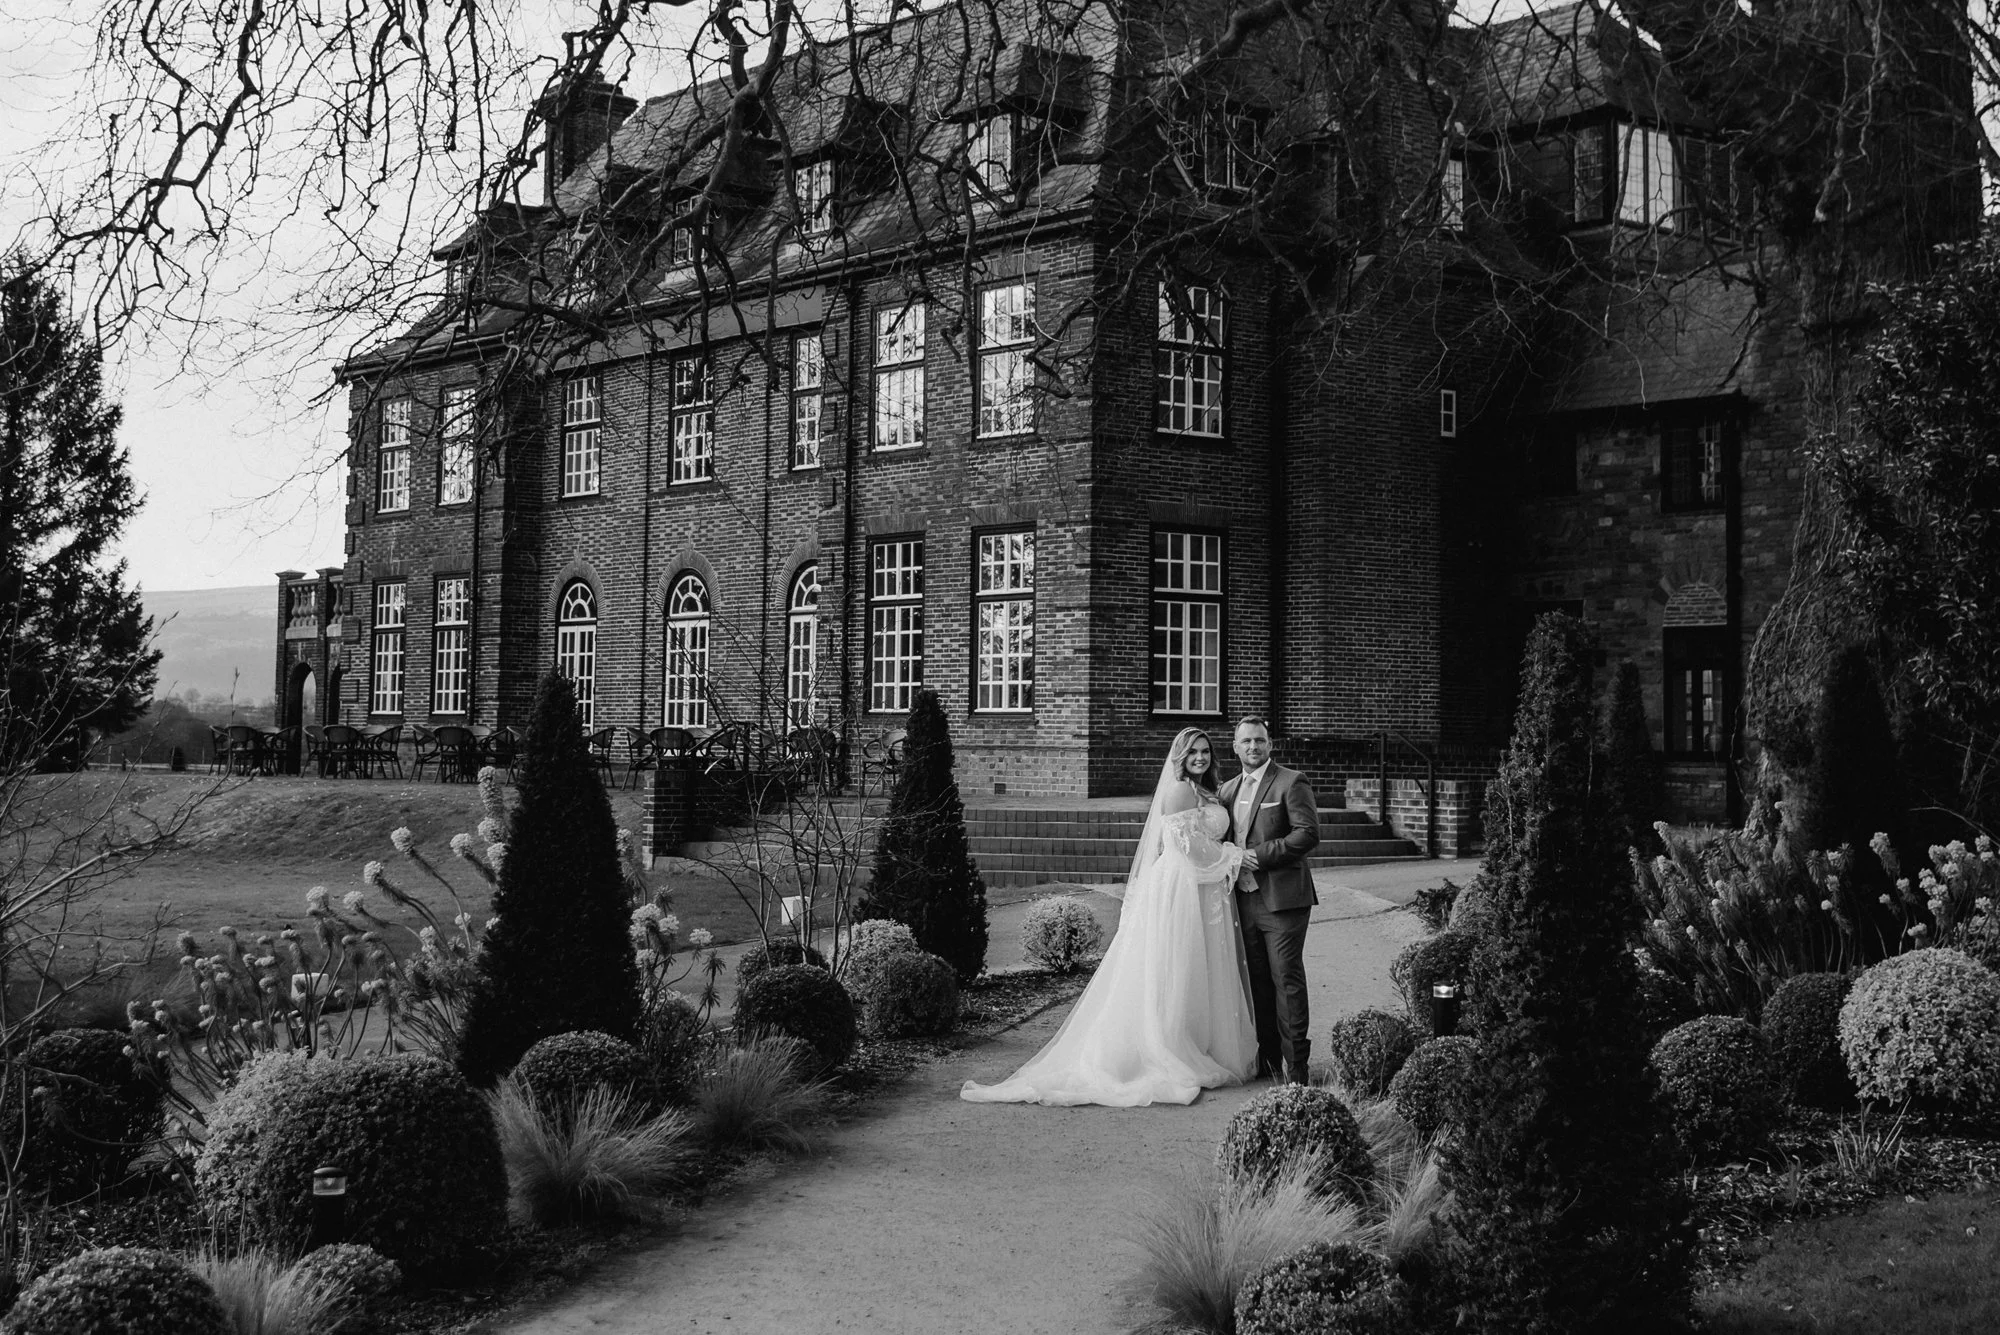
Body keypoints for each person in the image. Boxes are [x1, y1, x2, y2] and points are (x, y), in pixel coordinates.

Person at [960, 728, 1258, 1106]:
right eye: (1192, 752)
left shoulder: (1207, 790)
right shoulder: (1180, 790)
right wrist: (1233, 856)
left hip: (1204, 887)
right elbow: (1189, 847)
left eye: (1205, 751)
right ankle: (1167, 1047)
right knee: (1177, 964)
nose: (1200, 757)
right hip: (1183, 885)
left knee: (1200, 966)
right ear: (1179, 757)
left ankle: (1200, 1041)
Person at [1219, 716, 1321, 1083]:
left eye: (1259, 741)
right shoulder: (1227, 789)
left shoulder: (1291, 782)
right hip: (1242, 901)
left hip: (1283, 901)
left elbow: (1307, 834)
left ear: (1270, 744)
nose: (1253, 747)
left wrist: (1259, 855)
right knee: (1257, 982)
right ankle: (1267, 1061)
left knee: (1286, 981)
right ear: (1235, 746)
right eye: (1245, 741)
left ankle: (1297, 1070)